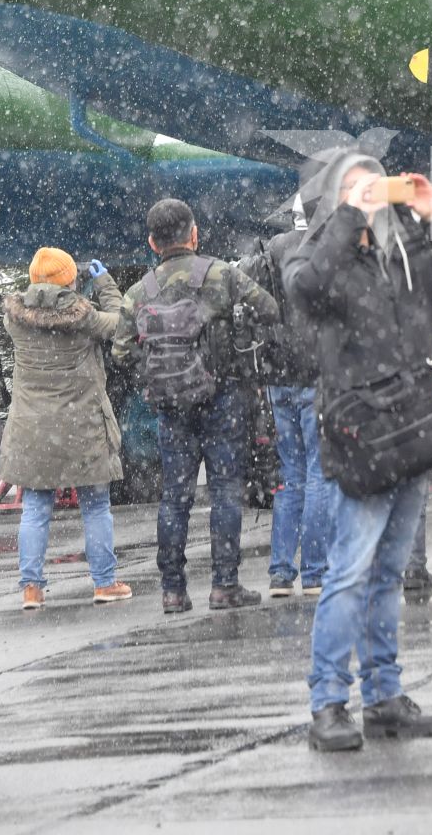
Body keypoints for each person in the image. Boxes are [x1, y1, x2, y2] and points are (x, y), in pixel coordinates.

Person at [284, 149, 432, 752]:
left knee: (390, 572)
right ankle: (327, 703)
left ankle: (384, 696)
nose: (372, 192)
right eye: (355, 185)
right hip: (361, 430)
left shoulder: (405, 250)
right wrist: (349, 217)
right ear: (332, 199)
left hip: (414, 423)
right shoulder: (317, 256)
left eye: (376, 182)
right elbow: (308, 291)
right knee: (349, 571)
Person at [112, 199, 279, 615]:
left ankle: (173, 590)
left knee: (175, 497)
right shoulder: (221, 274)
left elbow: (120, 352)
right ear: (194, 233)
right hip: (223, 397)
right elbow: (270, 310)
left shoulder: (139, 292)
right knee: (224, 490)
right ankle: (224, 584)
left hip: (170, 406)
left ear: (152, 242)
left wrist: (159, 371)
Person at [0, 248, 132, 609]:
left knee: (36, 509)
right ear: (71, 279)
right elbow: (122, 320)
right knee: (95, 506)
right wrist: (103, 281)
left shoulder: (15, 320)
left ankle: (31, 588)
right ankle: (104, 583)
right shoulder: (83, 317)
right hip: (82, 426)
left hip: (32, 430)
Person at [235, 206, 333, 600]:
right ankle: (314, 573)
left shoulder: (271, 250)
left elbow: (242, 287)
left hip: (278, 376)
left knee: (290, 476)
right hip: (317, 374)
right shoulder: (328, 248)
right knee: (319, 474)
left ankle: (279, 573)